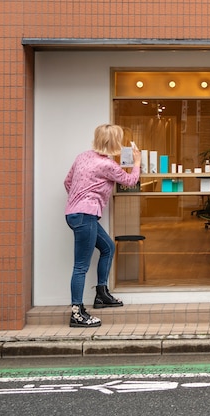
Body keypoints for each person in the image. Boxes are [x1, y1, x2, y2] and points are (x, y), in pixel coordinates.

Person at [64, 124, 141, 328]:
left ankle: (101, 293)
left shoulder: (83, 156)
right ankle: (77, 313)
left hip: (75, 213)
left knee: (108, 247)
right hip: (85, 215)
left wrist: (79, 198)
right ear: (114, 142)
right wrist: (138, 161)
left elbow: (67, 182)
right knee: (80, 266)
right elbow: (131, 180)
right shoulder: (107, 165)